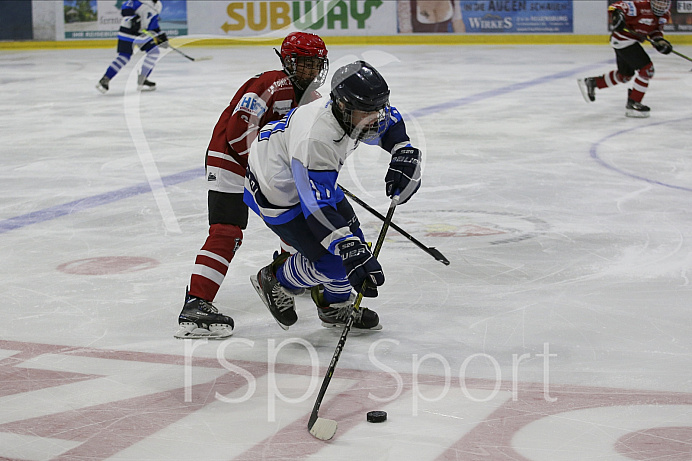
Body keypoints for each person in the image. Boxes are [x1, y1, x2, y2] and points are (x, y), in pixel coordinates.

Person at [244, 61, 422, 331]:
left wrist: (402, 150)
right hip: (276, 187)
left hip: (307, 173)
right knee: (337, 260)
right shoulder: (317, 139)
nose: (375, 118)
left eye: (377, 109)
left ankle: (333, 306)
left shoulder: (358, 111)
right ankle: (277, 279)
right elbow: (316, 208)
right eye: (367, 112)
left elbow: (390, 119)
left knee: (355, 245)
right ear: (341, 106)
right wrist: (346, 247)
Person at [174, 32, 329, 339]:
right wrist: (266, 166)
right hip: (229, 160)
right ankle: (196, 303)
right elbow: (237, 131)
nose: (311, 72)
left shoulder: (311, 99)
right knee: (226, 231)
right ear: (288, 62)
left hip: (264, 167)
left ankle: (286, 270)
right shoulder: (271, 84)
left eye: (316, 65)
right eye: (304, 64)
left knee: (296, 215)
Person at [577, 0, 673, 118]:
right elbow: (614, 7)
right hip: (624, 41)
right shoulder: (639, 5)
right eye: (658, 2)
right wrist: (618, 16)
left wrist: (660, 41)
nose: (661, 6)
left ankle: (593, 82)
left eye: (664, 3)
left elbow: (655, 31)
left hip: (626, 42)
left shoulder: (665, 15)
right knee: (647, 69)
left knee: (625, 75)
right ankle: (633, 103)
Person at [96, 0, 169, 93]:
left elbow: (152, 24)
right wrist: (133, 19)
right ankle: (105, 79)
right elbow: (125, 8)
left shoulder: (158, 5)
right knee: (124, 57)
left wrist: (159, 35)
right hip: (128, 31)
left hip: (142, 34)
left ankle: (142, 79)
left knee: (154, 52)